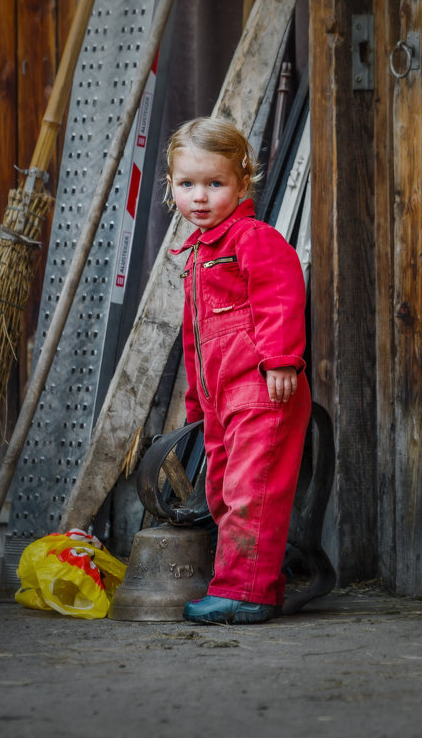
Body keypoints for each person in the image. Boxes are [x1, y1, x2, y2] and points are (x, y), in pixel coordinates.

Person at [166, 116, 312, 625]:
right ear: (172, 187)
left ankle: (246, 593)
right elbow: (196, 338)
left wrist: (280, 360)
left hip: (262, 389)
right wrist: (195, 401)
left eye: (214, 183)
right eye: (187, 185)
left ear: (242, 183)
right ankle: (249, 583)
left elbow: (280, 296)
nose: (199, 197)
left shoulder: (252, 239)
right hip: (220, 399)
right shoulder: (197, 256)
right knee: (224, 491)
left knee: (254, 491)